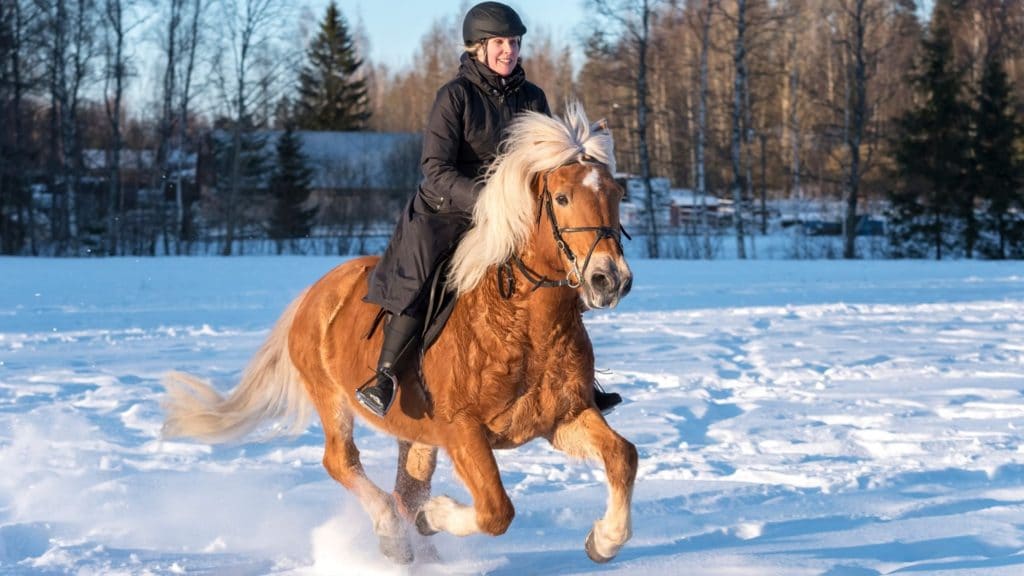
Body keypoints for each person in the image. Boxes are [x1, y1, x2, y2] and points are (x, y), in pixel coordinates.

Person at [357, 1, 622, 417]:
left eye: (514, 42)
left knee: (560, 273)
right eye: (499, 42)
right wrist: (488, 203)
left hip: (516, 217)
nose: (508, 50)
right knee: (428, 277)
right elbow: (434, 168)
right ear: (478, 48)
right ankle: (385, 374)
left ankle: (579, 377)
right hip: (447, 211)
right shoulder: (455, 96)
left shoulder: (532, 97)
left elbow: (551, 166)